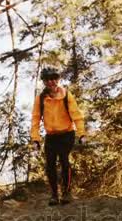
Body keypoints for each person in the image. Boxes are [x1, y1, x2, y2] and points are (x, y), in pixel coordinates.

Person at [31, 67, 86, 206]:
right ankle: (54, 194)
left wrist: (82, 134)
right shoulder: (41, 98)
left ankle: (66, 193)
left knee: (63, 160)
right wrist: (35, 139)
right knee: (50, 165)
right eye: (47, 79)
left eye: (54, 78)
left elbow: (76, 115)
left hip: (67, 134)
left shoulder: (67, 95)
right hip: (51, 136)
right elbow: (35, 119)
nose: (51, 82)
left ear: (58, 79)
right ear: (44, 81)